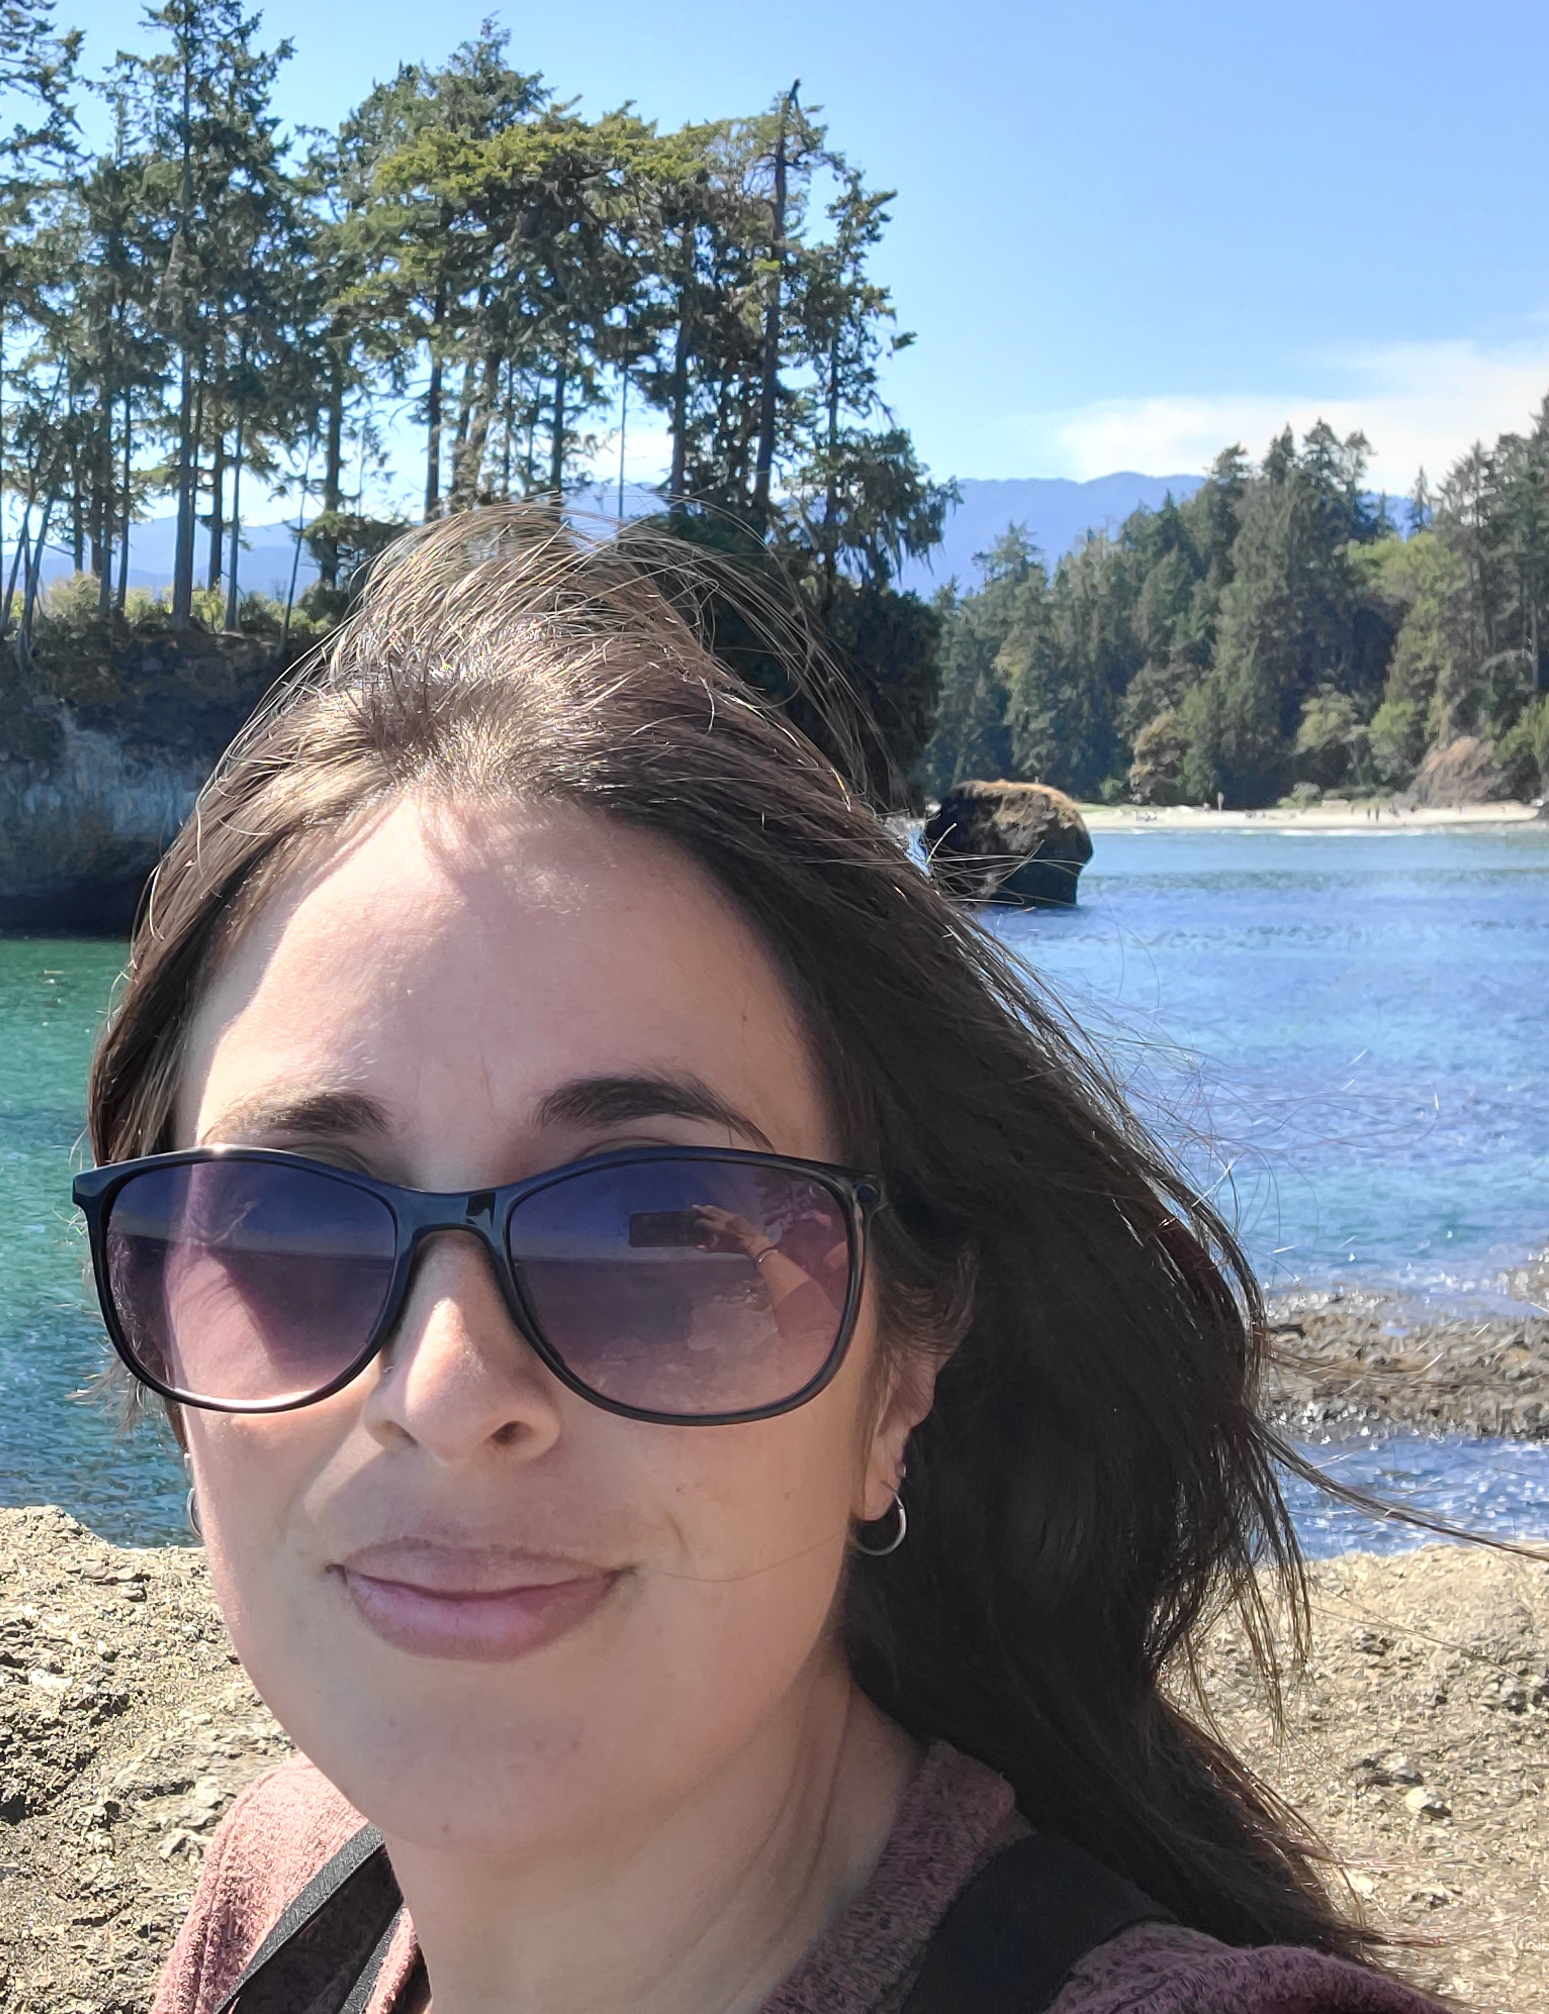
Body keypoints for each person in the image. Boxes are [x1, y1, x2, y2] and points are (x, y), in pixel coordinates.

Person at [75, 511, 1444, 2014]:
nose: (448, 1389)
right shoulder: (280, 1893)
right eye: (289, 1227)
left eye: (663, 1229)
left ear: (901, 1372)